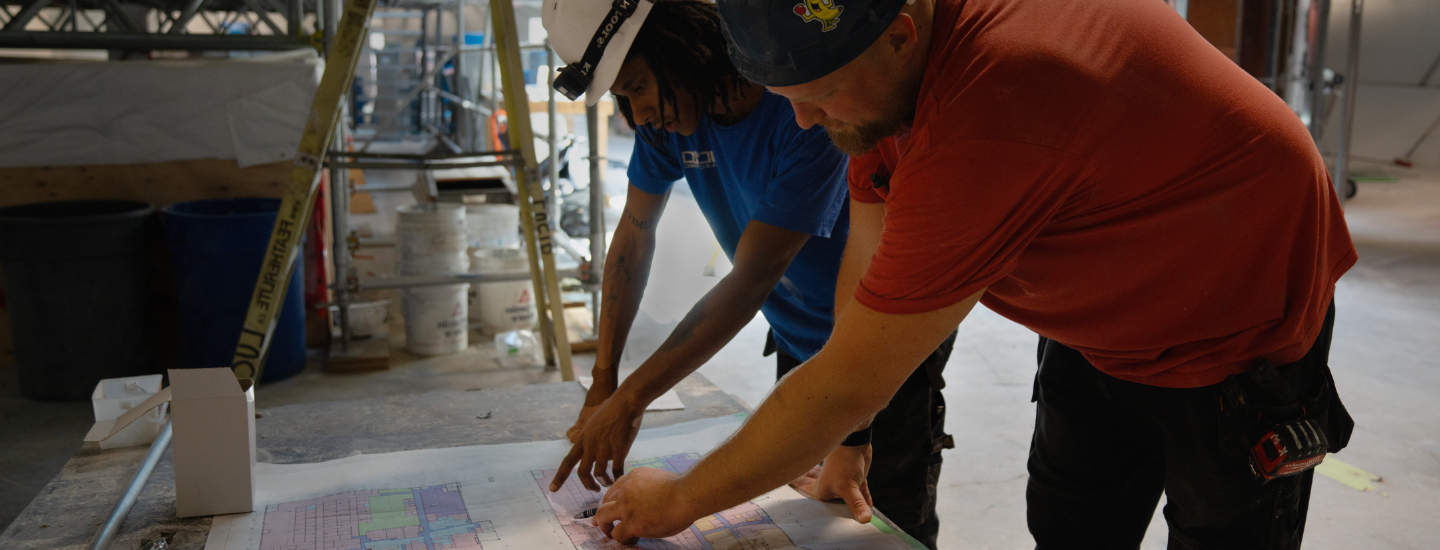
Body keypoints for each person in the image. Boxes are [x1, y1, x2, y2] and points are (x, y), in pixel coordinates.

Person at [589, 0, 1359, 547]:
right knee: (1072, 521)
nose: (803, 123)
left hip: (1235, 312)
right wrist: (850, 442)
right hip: (1098, 319)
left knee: (1221, 532)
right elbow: (864, 268)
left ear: (899, 36)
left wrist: (683, 498)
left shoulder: (997, 98)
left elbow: (858, 375)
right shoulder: (882, 86)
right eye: (790, 101)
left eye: (818, 98)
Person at [540, 0, 956, 546]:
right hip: (795, 335)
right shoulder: (670, 119)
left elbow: (752, 277)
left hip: (883, 344)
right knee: (809, 512)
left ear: (680, 44)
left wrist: (633, 400)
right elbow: (633, 239)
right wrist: (603, 384)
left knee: (880, 521)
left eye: (637, 85)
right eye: (622, 96)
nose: (638, 114)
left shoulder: (808, 107)